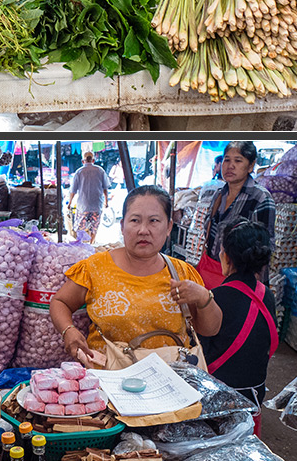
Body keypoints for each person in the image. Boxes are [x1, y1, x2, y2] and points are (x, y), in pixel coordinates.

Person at [50, 184, 223, 364]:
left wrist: (204, 298)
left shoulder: (182, 272)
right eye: (135, 220)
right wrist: (68, 330)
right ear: (122, 225)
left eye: (154, 221)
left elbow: (210, 329)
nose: (143, 230)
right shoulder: (95, 268)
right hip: (110, 378)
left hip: (171, 379)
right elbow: (60, 301)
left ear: (169, 227)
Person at [199, 222, 279, 411]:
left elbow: (202, 351)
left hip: (218, 396)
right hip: (254, 394)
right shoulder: (267, 295)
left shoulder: (215, 297)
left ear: (226, 257)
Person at [194, 141, 276, 290]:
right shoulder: (219, 194)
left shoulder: (261, 198)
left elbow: (265, 247)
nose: (230, 166)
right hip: (212, 270)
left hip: (240, 279)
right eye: (227, 160)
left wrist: (256, 288)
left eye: (238, 160)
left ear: (251, 165)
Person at [68, 150, 109, 243]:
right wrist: (106, 202)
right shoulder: (100, 170)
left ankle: (80, 244)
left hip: (83, 206)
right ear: (93, 160)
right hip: (96, 205)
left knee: (80, 228)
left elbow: (73, 190)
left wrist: (69, 203)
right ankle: (92, 244)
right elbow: (105, 188)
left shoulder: (79, 172)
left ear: (83, 161)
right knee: (94, 227)